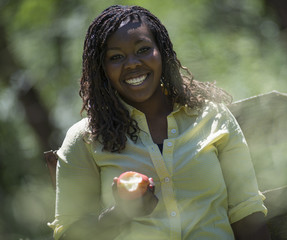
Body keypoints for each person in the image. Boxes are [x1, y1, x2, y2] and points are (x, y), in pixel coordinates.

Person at [48, 5, 270, 240]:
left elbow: (247, 210)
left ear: (161, 52)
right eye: (116, 57)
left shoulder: (212, 117)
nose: (132, 63)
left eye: (143, 49)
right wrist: (120, 214)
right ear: (101, 69)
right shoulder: (85, 140)